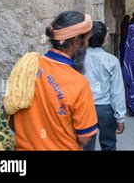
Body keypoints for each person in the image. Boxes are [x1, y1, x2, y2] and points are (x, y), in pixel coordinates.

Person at [9, 11, 98, 150]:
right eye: (87, 40)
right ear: (75, 42)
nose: (87, 45)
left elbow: (10, 115)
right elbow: (85, 136)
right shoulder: (79, 83)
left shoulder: (27, 66)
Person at [83, 22, 126, 151]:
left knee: (85, 145)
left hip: (84, 107)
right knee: (109, 144)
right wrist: (120, 116)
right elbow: (116, 91)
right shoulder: (111, 60)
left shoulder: (78, 58)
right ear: (104, 39)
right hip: (105, 108)